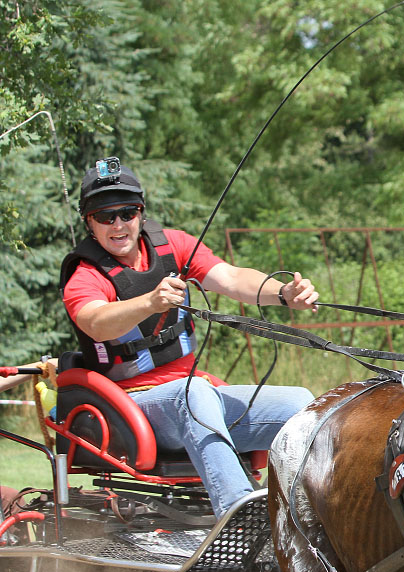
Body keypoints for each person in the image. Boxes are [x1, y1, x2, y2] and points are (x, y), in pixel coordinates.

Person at [60, 158, 318, 518]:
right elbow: (95, 323)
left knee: (301, 404)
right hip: (134, 407)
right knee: (193, 394)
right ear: (89, 223)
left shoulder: (174, 246)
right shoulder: (86, 274)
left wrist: (283, 293)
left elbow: (230, 279)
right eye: (105, 217)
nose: (118, 224)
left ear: (141, 213)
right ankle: (240, 516)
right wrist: (149, 302)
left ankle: (305, 516)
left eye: (127, 213)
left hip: (197, 398)